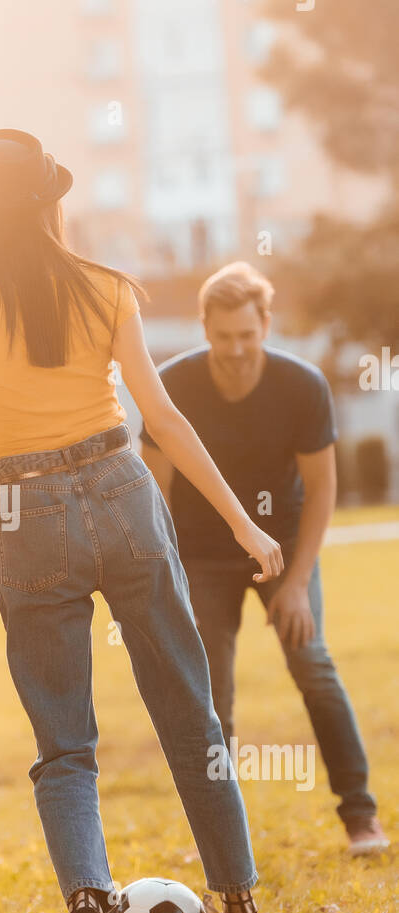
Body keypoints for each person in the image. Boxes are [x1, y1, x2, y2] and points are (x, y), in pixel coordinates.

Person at [0, 129, 285, 913]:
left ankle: (87, 911)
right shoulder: (104, 290)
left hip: (26, 515)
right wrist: (243, 523)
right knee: (191, 721)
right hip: (122, 492)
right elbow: (163, 420)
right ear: (50, 202)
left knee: (64, 745)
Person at [139, 261, 387, 856]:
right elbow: (157, 494)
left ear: (266, 325)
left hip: (283, 554)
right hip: (201, 557)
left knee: (313, 665)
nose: (235, 349)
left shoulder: (302, 387)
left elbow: (322, 489)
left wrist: (298, 582)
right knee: (208, 696)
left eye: (247, 335)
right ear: (205, 329)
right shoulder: (173, 385)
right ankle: (222, 839)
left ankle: (360, 817)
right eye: (223, 336)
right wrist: (169, 580)